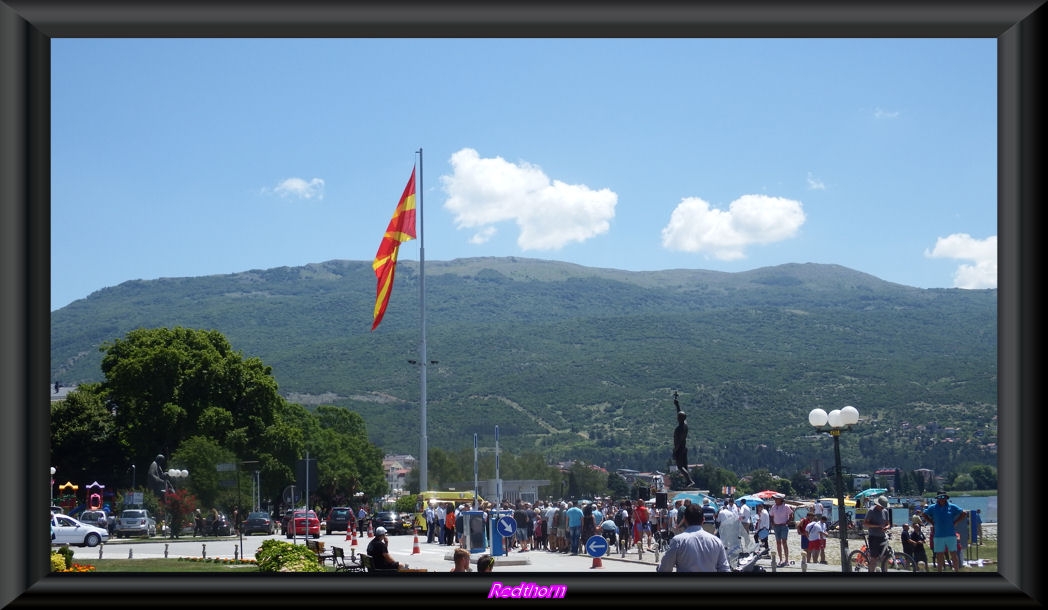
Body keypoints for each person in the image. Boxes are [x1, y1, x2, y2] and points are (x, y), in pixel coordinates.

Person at [656, 503, 731, 572]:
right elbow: (724, 569)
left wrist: (659, 568)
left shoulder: (678, 541)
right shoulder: (716, 541)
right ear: (703, 520)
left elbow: (665, 568)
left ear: (685, 520)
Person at [920, 491, 966, 572]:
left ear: (946, 498)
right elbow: (924, 514)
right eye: (940, 497)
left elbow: (963, 513)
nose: (941, 499)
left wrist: (956, 522)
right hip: (938, 535)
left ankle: (956, 571)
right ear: (937, 498)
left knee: (953, 554)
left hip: (950, 534)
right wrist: (931, 522)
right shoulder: (933, 507)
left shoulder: (952, 506)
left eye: (943, 497)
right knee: (939, 555)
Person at [672, 391, 696, 488]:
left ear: (679, 418)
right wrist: (677, 405)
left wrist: (675, 452)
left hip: (680, 449)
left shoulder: (679, 429)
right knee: (685, 466)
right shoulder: (685, 425)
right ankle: (688, 481)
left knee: (680, 467)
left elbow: (678, 442)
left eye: (678, 417)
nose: (677, 417)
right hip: (684, 448)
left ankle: (690, 481)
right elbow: (680, 413)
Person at [863, 495, 891, 572]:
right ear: (877, 504)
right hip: (873, 537)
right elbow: (865, 523)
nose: (883, 508)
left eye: (884, 506)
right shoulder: (871, 511)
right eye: (881, 506)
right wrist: (877, 526)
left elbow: (888, 523)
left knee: (885, 558)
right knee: (874, 558)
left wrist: (887, 527)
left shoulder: (885, 511)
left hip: (882, 537)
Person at [768, 494, 793, 567]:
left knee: (784, 542)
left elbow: (791, 514)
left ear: (780, 499)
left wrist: (788, 522)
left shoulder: (786, 507)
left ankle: (787, 560)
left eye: (776, 499)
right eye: (775, 499)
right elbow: (771, 516)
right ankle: (781, 559)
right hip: (776, 526)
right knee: (778, 543)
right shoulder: (773, 507)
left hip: (783, 526)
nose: (775, 500)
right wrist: (773, 523)